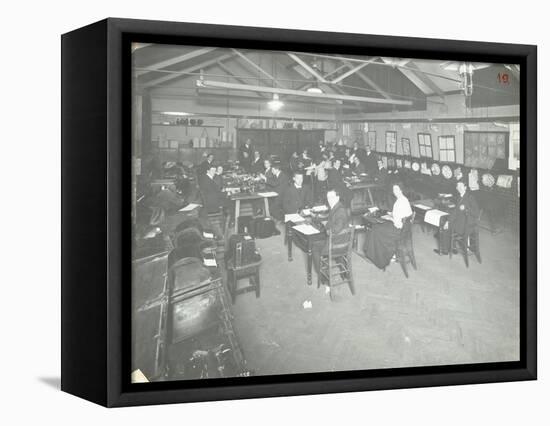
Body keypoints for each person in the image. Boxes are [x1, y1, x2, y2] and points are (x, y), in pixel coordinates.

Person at [363, 183, 412, 269]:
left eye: (397, 189)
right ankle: (378, 254)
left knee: (376, 228)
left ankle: (379, 258)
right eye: (394, 190)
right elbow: (403, 214)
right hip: (404, 229)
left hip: (398, 230)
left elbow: (397, 222)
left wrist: (390, 218)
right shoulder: (404, 200)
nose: (395, 191)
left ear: (401, 190)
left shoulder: (399, 202)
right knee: (379, 227)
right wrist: (391, 214)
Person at [312, 189, 351, 276]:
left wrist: (326, 226)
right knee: (319, 237)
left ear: (337, 197)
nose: (330, 200)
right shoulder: (337, 207)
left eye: (332, 197)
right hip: (342, 242)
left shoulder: (340, 211)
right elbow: (334, 222)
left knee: (314, 247)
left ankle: (324, 277)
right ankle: (343, 271)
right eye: (328, 197)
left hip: (336, 246)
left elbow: (336, 229)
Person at [436, 180, 480, 255]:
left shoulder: (470, 197)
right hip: (461, 222)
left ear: (465, 187)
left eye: (461, 186)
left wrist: (466, 208)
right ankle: (453, 248)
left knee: (445, 227)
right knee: (446, 223)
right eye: (457, 186)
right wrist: (448, 221)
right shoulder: (460, 197)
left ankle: (445, 250)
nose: (458, 188)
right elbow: (455, 212)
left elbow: (476, 213)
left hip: (467, 225)